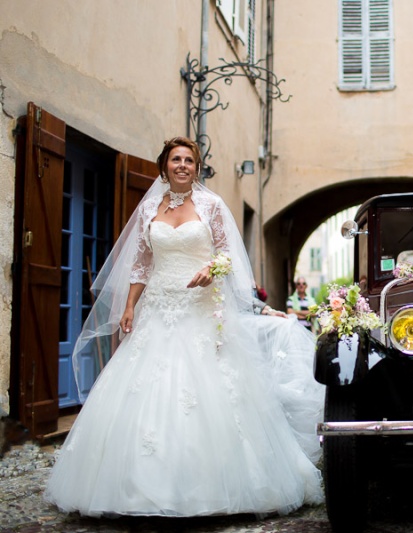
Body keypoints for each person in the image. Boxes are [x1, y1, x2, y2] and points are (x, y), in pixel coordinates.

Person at [44, 137, 324, 518]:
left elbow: (227, 253)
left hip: (200, 308)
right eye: (175, 159)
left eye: (189, 160)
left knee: (208, 387)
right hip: (158, 306)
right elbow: (142, 264)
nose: (182, 165)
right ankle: (137, 490)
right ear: (164, 166)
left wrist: (212, 269)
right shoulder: (148, 210)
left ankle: (221, 487)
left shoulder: (211, 205)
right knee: (145, 386)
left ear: (196, 167)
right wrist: (129, 306)